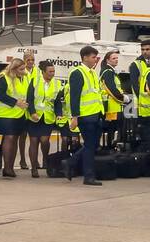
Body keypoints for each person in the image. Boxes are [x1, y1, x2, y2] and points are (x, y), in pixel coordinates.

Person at [68, 45, 104, 186]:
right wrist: (75, 116)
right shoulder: (78, 73)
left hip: (95, 113)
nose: (95, 60)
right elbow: (74, 96)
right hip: (85, 115)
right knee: (89, 146)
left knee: (93, 145)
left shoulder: (92, 73)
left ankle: (70, 162)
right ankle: (88, 176)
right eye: (93, 57)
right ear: (85, 58)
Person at [0, 57, 31, 178]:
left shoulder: (24, 77)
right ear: (14, 69)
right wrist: (16, 102)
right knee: (9, 138)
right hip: (5, 113)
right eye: (21, 69)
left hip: (18, 113)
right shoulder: (4, 78)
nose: (24, 70)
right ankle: (7, 168)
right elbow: (1, 95)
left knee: (14, 139)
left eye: (24, 68)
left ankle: (10, 166)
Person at [26, 60, 62, 177]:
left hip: (47, 117)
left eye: (53, 71)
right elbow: (29, 98)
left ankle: (46, 161)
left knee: (44, 140)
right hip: (34, 117)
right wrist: (32, 112)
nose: (52, 73)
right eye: (50, 71)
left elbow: (57, 102)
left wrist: (59, 114)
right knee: (34, 141)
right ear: (43, 72)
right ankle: (34, 168)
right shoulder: (35, 81)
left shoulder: (57, 84)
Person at [129, 41, 150, 151]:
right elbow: (135, 84)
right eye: (143, 50)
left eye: (147, 49)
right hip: (141, 103)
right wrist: (141, 100)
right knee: (144, 131)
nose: (145, 52)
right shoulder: (136, 64)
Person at [99, 50, 125, 149]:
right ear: (107, 60)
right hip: (111, 106)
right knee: (111, 128)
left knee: (113, 128)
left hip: (114, 105)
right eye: (113, 58)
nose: (116, 60)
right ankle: (110, 148)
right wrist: (122, 98)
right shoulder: (108, 72)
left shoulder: (110, 71)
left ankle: (110, 146)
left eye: (117, 58)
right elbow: (111, 89)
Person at [16, 51, 36, 168]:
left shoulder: (37, 72)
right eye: (28, 60)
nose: (30, 62)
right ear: (24, 61)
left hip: (33, 106)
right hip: (23, 106)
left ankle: (34, 161)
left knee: (34, 137)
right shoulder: (21, 72)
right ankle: (22, 159)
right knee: (22, 135)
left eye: (32, 60)